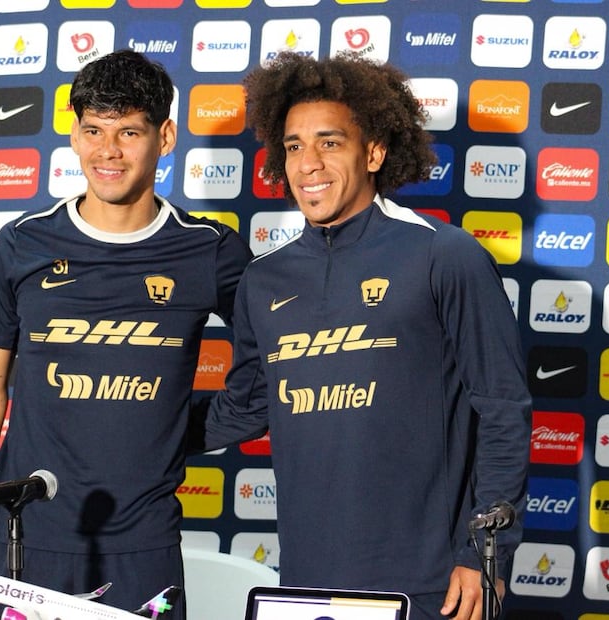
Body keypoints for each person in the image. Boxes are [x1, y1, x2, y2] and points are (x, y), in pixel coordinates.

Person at [191, 52, 532, 620]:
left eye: (329, 142)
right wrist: (128, 427)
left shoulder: (444, 256)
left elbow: (502, 408)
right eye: (294, 146)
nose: (309, 163)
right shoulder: (263, 279)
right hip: (305, 583)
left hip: (434, 583)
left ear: (372, 152)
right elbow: (246, 408)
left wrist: (484, 553)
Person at [0, 50, 252, 620]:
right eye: (93, 131)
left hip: (144, 544)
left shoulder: (209, 250)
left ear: (165, 137)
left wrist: (176, 427)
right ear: (74, 136)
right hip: (25, 535)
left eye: (128, 132)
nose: (108, 151)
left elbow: (275, 362)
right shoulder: (22, 244)